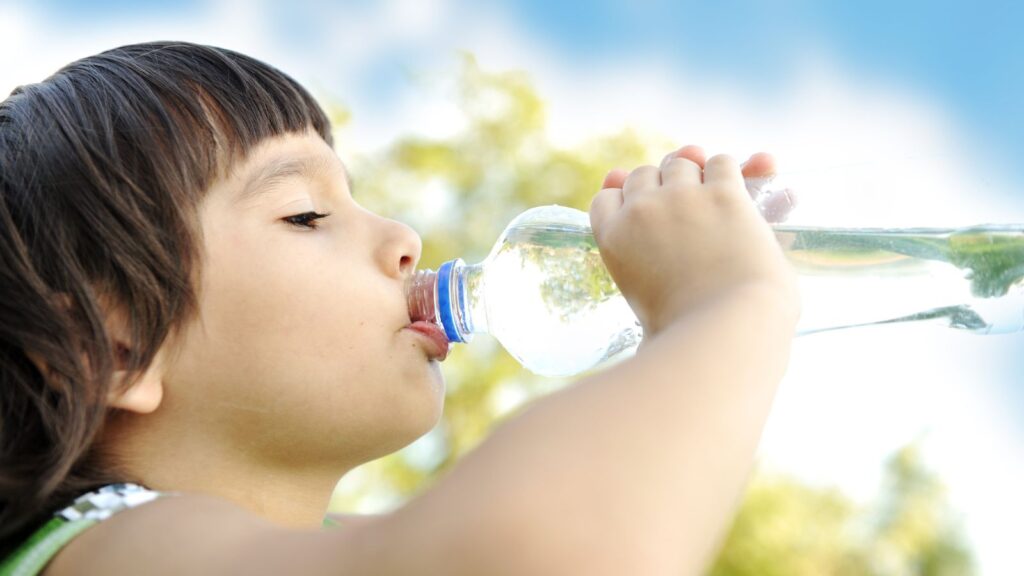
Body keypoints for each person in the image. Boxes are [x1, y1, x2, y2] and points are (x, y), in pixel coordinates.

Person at [0, 41, 800, 575]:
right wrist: (728, 306)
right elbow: (540, 552)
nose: (405, 238)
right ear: (114, 344)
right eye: (306, 213)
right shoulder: (111, 553)